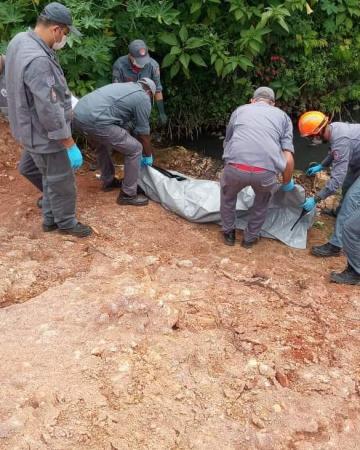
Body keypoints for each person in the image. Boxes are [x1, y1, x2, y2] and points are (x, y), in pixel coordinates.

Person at [5, 2, 92, 237]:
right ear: (56, 29)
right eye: (64, 33)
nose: (63, 39)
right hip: (44, 133)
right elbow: (50, 109)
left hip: (26, 127)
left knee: (44, 172)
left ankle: (50, 218)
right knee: (62, 180)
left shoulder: (19, 40)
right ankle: (65, 223)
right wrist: (69, 143)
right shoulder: (39, 61)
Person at [220, 86, 295, 248]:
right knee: (261, 202)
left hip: (235, 168)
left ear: (252, 101)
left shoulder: (240, 110)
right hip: (265, 173)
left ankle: (228, 234)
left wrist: (228, 163)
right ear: (273, 103)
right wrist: (287, 182)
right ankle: (249, 239)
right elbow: (287, 156)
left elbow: (228, 140)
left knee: (228, 197)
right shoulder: (284, 117)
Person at [73, 78, 156, 206]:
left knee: (101, 146)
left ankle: (108, 181)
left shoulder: (125, 87)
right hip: (96, 120)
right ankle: (128, 195)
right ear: (150, 93)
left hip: (78, 115)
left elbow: (123, 123)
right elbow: (143, 133)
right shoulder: (143, 97)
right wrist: (148, 155)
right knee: (135, 149)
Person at [298, 111, 360, 258]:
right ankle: (339, 213)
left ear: (318, 133)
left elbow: (336, 181)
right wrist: (322, 165)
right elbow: (334, 152)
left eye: (311, 137)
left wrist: (316, 199)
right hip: (357, 159)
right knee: (347, 185)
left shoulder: (341, 140)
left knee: (351, 199)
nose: (311, 140)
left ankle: (336, 245)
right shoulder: (334, 128)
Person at [112, 39, 167, 126]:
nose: (142, 64)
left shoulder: (153, 65)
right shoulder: (119, 65)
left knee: (143, 132)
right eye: (139, 60)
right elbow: (115, 91)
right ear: (130, 56)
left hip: (144, 105)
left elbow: (158, 90)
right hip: (125, 106)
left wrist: (162, 112)